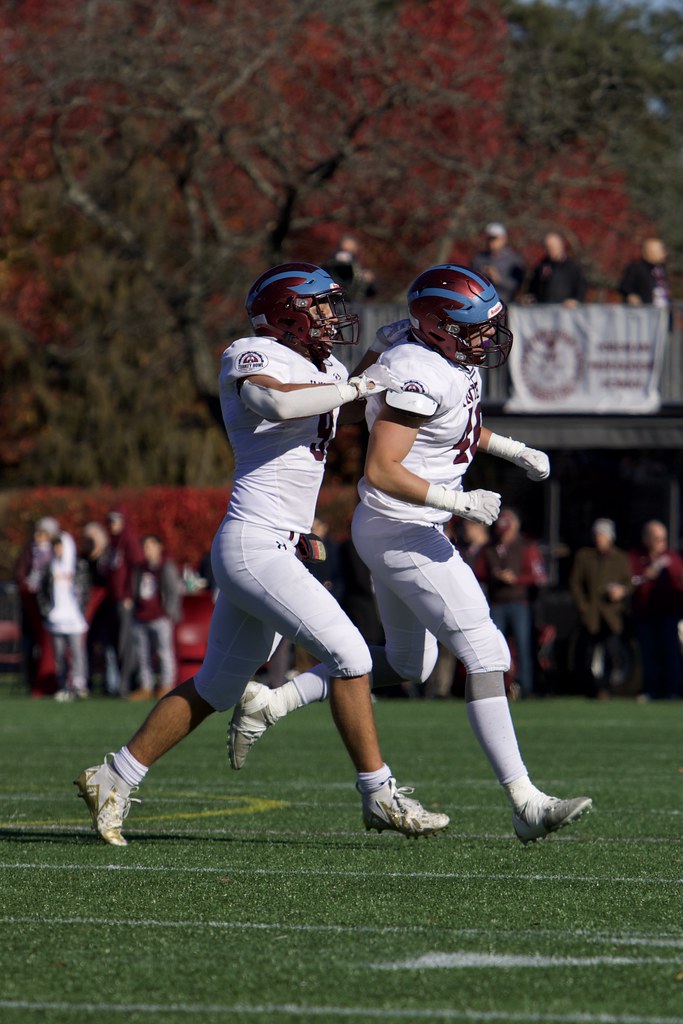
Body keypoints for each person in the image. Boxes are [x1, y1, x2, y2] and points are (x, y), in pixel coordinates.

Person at [74, 261, 448, 846]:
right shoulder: (251, 352)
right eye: (321, 306)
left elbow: (344, 404)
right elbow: (274, 405)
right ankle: (380, 794)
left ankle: (114, 775)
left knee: (220, 687)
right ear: (285, 315)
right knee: (352, 654)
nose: (332, 317)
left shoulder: (323, 366)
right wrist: (357, 383)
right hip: (253, 541)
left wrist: (378, 356)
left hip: (280, 545)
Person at [229, 264, 592, 844]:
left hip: (402, 525)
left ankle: (272, 703)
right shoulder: (416, 367)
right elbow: (381, 468)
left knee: (406, 665)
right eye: (474, 328)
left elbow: (457, 427)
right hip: (404, 526)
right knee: (487, 652)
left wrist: (514, 449)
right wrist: (457, 499)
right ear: (440, 328)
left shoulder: (434, 353)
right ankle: (526, 802)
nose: (487, 339)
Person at [475, 508, 548, 699]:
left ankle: (525, 687)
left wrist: (515, 579)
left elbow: (539, 576)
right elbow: (478, 572)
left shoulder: (526, 546)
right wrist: (495, 576)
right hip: (497, 602)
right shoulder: (490, 547)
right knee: (495, 649)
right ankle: (498, 688)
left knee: (523, 647)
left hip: (519, 603)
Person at [568, 518, 633, 701]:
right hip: (591, 614)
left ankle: (606, 688)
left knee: (613, 654)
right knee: (587, 655)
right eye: (597, 535)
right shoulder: (584, 556)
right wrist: (583, 606)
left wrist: (621, 592)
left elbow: (628, 583)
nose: (599, 538)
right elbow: (575, 583)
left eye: (603, 535)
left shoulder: (620, 558)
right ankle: (591, 688)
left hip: (611, 614)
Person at [628, 520, 683, 701]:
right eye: (658, 539)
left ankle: (672, 690)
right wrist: (645, 576)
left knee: (671, 653)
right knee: (648, 655)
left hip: (669, 614)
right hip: (645, 614)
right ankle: (650, 689)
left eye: (664, 539)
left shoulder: (673, 559)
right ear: (647, 539)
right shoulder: (636, 558)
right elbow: (629, 583)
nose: (662, 543)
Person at [129, 534, 183, 701]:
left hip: (160, 616)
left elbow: (174, 591)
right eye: (145, 547)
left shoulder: (166, 566)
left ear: (158, 547)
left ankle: (167, 685)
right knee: (142, 654)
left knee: (164, 652)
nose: (147, 550)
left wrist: (169, 612)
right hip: (141, 616)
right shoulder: (140, 568)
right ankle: (146, 686)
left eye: (150, 546)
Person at [39, 528, 90, 701]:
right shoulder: (50, 567)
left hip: (74, 618)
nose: (57, 550)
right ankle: (62, 686)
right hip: (56, 619)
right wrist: (47, 611)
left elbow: (86, 590)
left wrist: (80, 609)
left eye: (60, 546)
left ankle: (79, 684)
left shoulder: (78, 565)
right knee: (59, 655)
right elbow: (43, 591)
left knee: (77, 653)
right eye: (55, 547)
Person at [104, 508, 144, 696]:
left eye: (115, 521)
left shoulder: (129, 540)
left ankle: (127, 683)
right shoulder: (112, 543)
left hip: (124, 601)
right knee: (114, 643)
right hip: (113, 600)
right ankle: (117, 683)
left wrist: (129, 595)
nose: (112, 525)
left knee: (125, 644)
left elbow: (136, 569)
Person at [526, 232, 586, 307]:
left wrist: (575, 301)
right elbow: (533, 289)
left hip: (565, 311)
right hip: (544, 310)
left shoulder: (573, 267)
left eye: (552, 247)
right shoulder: (541, 266)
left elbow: (580, 288)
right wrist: (530, 299)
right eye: (547, 247)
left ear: (560, 247)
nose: (549, 250)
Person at [470, 222, 525, 305]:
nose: (490, 242)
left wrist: (498, 279)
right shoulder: (478, 258)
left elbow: (517, 286)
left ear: (504, 238)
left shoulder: (514, 260)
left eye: (493, 238)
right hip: (480, 305)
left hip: (505, 305)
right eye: (488, 238)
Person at [618, 238, 672, 309]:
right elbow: (624, 286)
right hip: (644, 310)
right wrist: (631, 295)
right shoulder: (637, 267)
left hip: (663, 309)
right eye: (659, 250)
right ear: (649, 252)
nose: (663, 253)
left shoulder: (662, 268)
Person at [323, 234, 377, 301]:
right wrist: (362, 275)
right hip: (340, 299)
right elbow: (345, 272)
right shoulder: (341, 256)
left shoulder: (355, 260)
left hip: (351, 298)